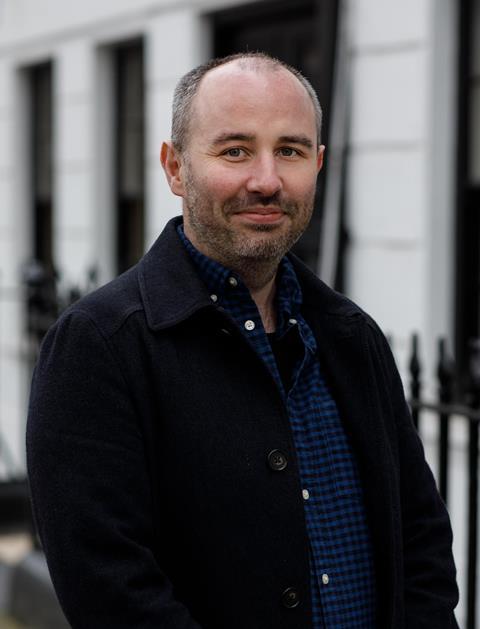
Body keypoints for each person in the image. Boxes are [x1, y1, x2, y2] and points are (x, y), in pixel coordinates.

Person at [27, 52, 459, 629]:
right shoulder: (98, 347)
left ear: (318, 164)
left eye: (290, 150)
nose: (266, 180)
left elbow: (422, 545)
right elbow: (111, 590)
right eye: (235, 150)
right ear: (175, 167)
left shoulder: (353, 338)